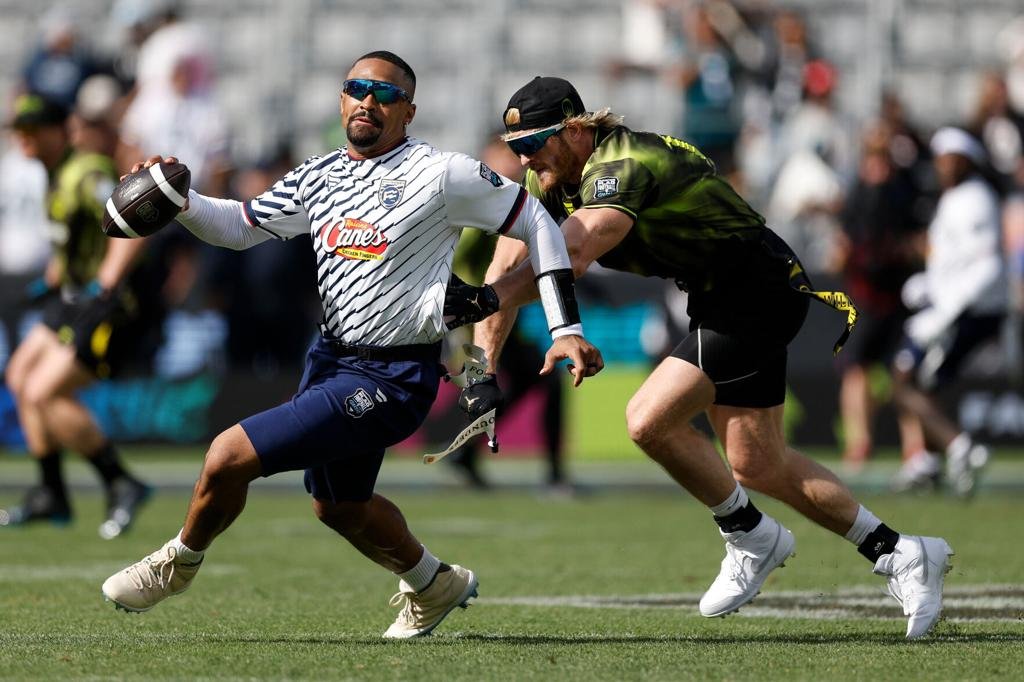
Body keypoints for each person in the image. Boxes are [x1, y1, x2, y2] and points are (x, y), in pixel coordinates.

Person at [100, 52, 602, 639]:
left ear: (408, 111)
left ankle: (178, 564)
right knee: (338, 505)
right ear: (341, 99)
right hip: (331, 360)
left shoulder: (443, 174)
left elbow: (538, 226)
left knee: (227, 455)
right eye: (357, 88)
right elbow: (239, 226)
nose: (369, 100)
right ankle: (434, 581)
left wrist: (565, 328)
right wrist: (179, 204)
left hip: (394, 376)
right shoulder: (319, 174)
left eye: (385, 94)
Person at [450, 76, 954, 639]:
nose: (524, 158)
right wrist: (482, 369)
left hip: (755, 288)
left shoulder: (623, 163)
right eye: (515, 146)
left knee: (647, 420)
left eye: (534, 143)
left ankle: (750, 536)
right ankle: (904, 554)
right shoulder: (546, 177)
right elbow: (502, 266)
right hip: (725, 296)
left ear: (574, 130)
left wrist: (487, 301)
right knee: (757, 464)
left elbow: (571, 250)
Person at [0, 93, 155, 538]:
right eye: (19, 130)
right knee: (18, 378)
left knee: (45, 392)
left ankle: (121, 482)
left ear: (57, 130)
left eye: (34, 128)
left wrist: (107, 282)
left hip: (105, 305)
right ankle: (52, 492)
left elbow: (134, 223)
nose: (24, 138)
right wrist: (52, 280)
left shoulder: (86, 172)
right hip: (70, 299)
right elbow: (74, 240)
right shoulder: (53, 173)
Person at [443, 134, 569, 492]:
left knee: (535, 379)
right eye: (507, 155)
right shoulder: (481, 200)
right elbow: (461, 255)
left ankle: (467, 453)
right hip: (473, 315)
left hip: (490, 309)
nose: (517, 163)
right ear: (488, 157)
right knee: (520, 380)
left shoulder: (507, 201)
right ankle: (555, 476)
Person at [889, 127, 1006, 497]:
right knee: (924, 382)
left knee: (904, 377)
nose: (941, 166)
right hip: (953, 307)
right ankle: (929, 463)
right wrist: (928, 285)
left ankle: (959, 448)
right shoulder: (956, 198)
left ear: (965, 160)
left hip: (969, 311)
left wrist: (947, 311)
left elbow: (988, 266)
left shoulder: (975, 199)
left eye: (948, 159)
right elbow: (954, 261)